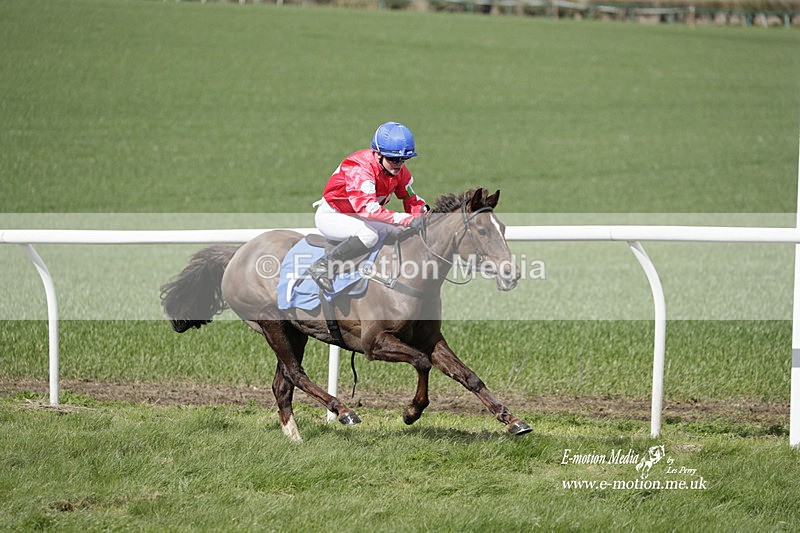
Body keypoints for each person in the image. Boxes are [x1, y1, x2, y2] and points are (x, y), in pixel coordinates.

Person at [308, 121, 429, 292]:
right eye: (393, 159)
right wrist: (407, 219)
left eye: (404, 159)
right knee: (368, 236)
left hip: (357, 216)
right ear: (378, 154)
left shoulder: (400, 171)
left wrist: (424, 215)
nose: (399, 164)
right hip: (333, 215)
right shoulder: (360, 168)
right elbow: (368, 209)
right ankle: (322, 266)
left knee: (399, 232)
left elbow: (411, 199)